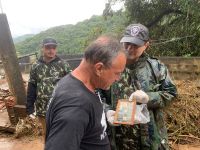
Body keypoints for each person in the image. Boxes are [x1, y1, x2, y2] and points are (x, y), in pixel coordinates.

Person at [45, 35, 127, 150]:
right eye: (117, 73)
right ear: (99, 68)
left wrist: (103, 112)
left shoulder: (82, 84)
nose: (118, 79)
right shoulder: (76, 106)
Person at [107, 24, 177, 150]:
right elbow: (97, 93)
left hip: (151, 139)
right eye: (126, 43)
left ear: (146, 45)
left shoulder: (156, 67)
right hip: (119, 140)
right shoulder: (110, 66)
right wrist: (106, 110)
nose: (129, 48)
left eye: (135, 45)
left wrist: (149, 98)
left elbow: (171, 93)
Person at [26, 37, 71, 138]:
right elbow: (32, 85)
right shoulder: (36, 66)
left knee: (62, 134)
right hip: (42, 108)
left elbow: (71, 85)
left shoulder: (63, 65)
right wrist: (29, 106)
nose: (51, 50)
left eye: (53, 48)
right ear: (42, 48)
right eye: (48, 48)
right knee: (47, 135)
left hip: (60, 107)